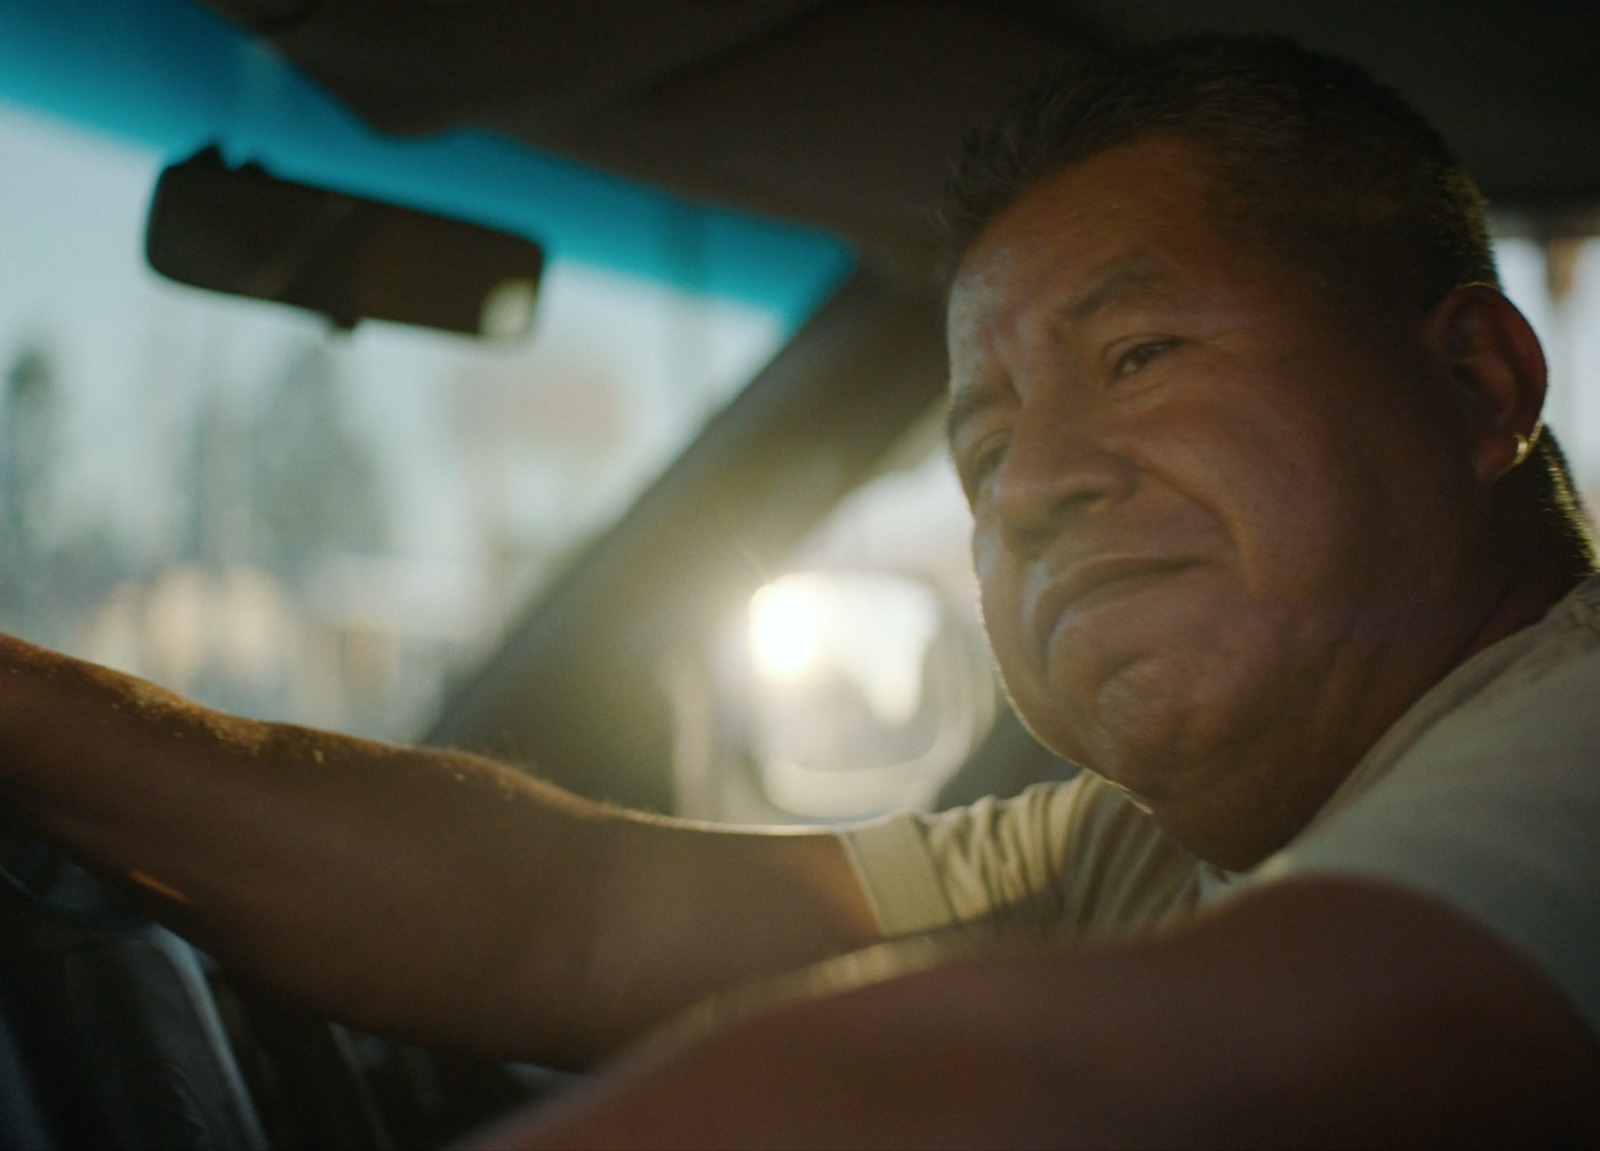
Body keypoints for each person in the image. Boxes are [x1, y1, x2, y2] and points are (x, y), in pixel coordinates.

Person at [2, 35, 1598, 1147]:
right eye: (981, 448)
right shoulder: (1140, 850)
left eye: (1140, 355)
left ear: (1478, 382)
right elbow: (571, 915)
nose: (1033, 487)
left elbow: (1028, 1088)